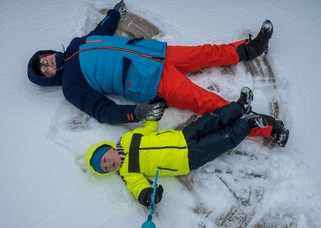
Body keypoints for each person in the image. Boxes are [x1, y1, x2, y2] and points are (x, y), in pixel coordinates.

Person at [27, 1, 275, 139]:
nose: (46, 63)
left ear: (48, 52)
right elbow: (102, 111)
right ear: (48, 79)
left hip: (155, 54)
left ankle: (250, 49)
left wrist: (114, 14)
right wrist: (136, 113)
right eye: (43, 70)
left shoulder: (75, 45)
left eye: (43, 59)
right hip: (149, 81)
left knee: (204, 53)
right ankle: (264, 127)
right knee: (205, 101)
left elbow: (100, 33)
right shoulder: (71, 86)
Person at [85, 87, 289, 208]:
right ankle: (248, 123)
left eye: (104, 159)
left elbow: (148, 128)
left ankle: (239, 107)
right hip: (187, 159)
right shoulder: (128, 173)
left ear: (107, 148)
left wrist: (155, 112)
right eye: (106, 168)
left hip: (182, 137)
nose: (109, 164)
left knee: (212, 120)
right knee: (221, 139)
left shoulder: (128, 139)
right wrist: (148, 196)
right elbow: (138, 187)